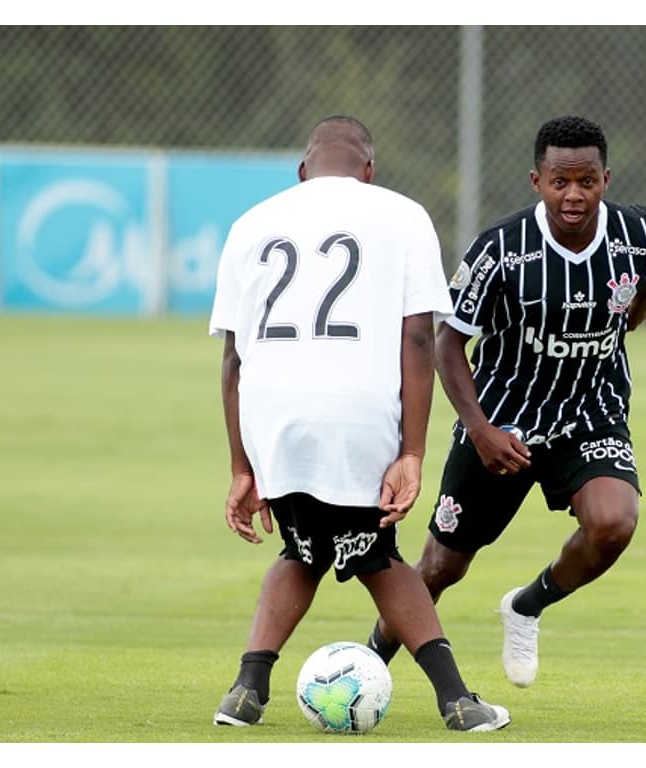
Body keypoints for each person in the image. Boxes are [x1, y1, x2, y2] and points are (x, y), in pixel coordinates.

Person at [208, 115, 510, 732]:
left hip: (275, 418)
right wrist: (413, 452)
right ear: (369, 171)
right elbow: (420, 338)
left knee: (305, 549)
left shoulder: (250, 224)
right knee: (376, 556)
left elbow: (234, 358)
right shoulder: (403, 215)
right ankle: (456, 700)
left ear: (302, 170)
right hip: (358, 415)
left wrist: (244, 465)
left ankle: (246, 691)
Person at [366, 115, 646, 689]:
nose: (573, 194)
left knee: (613, 523)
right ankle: (366, 666)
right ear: (537, 181)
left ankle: (527, 605)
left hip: (590, 415)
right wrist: (479, 429)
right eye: (560, 182)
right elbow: (447, 341)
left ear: (607, 178)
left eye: (587, 180)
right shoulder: (501, 249)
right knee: (439, 568)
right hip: (500, 423)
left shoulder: (643, 234)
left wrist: (640, 306)